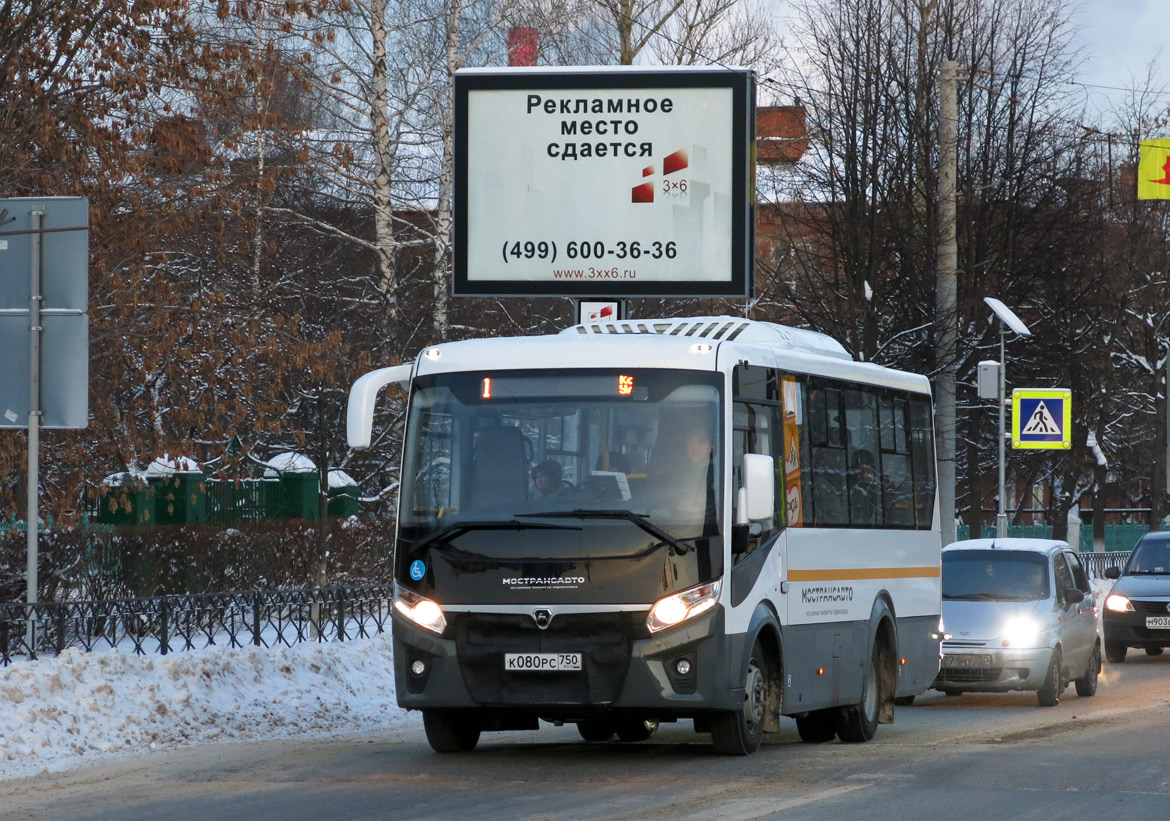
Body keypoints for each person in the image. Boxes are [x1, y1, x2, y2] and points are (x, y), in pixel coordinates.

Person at [849, 449, 881, 525]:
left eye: (867, 469)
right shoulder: (852, 491)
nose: (864, 474)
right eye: (859, 470)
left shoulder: (881, 490)